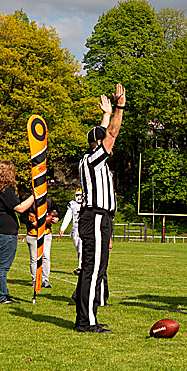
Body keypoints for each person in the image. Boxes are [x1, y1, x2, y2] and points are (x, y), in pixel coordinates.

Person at [74, 85, 127, 333]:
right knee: (92, 270)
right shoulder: (93, 160)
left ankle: (90, 316)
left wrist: (106, 114)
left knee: (98, 269)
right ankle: (86, 321)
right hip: (94, 216)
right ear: (98, 143)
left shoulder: (96, 159)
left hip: (101, 218)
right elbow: (111, 134)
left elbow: (104, 133)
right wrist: (119, 108)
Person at [0, 160, 35, 304]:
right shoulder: (5, 189)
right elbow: (20, 208)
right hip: (3, 232)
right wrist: (35, 196)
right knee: (1, 267)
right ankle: (2, 296)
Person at [26, 195, 59, 289]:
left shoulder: (49, 201)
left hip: (46, 233)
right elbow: (22, 217)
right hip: (33, 233)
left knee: (46, 256)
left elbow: (58, 212)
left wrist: (56, 218)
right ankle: (35, 280)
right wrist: (32, 223)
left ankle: (45, 279)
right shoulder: (29, 201)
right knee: (34, 258)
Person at [59, 189, 84, 276]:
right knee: (78, 249)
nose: (79, 197)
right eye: (77, 195)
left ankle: (81, 268)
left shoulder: (87, 204)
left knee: (81, 249)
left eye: (80, 195)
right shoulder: (72, 204)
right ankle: (82, 265)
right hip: (75, 229)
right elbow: (68, 216)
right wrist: (63, 228)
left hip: (84, 229)